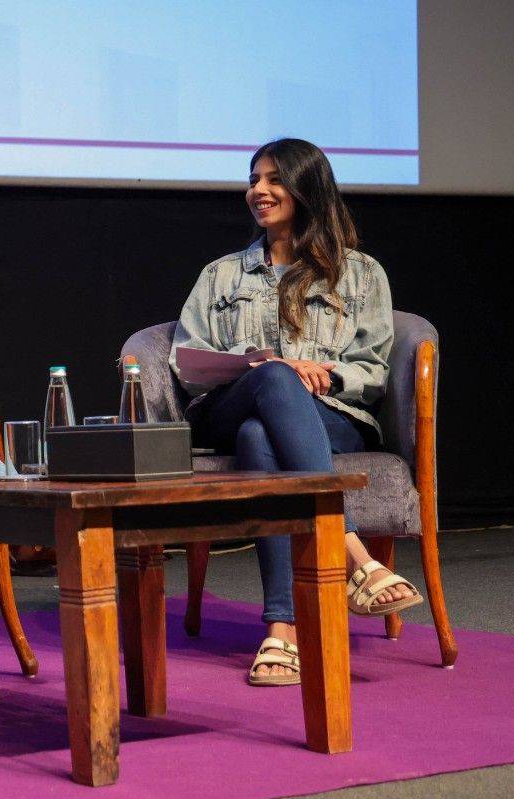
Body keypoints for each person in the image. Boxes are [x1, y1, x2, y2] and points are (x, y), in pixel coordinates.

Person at [170, 138, 423, 686]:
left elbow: (373, 369)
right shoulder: (221, 275)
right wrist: (270, 366)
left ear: (307, 189)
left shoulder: (359, 274)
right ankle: (351, 550)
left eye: (273, 180)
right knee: (272, 378)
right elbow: (187, 362)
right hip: (226, 409)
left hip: (332, 416)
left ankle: (282, 629)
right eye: (253, 180)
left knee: (260, 437)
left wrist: (328, 374)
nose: (258, 191)